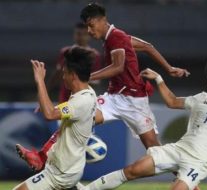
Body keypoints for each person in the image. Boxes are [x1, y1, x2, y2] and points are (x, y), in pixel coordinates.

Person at [16, 2, 189, 172]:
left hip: (135, 102)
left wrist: (86, 77)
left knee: (154, 149)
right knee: (76, 119)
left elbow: (118, 66)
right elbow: (147, 46)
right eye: (87, 27)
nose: (89, 32)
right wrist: (169, 68)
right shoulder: (115, 38)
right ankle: (41, 157)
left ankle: (183, 175)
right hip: (114, 98)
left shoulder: (116, 37)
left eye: (91, 26)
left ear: (102, 20)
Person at [80, 58, 207, 190]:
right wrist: (159, 78)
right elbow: (172, 101)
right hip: (177, 150)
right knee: (132, 170)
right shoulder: (201, 98)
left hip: (198, 161)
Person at [13, 47, 97, 190]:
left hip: (61, 173)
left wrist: (40, 80)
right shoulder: (87, 92)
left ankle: (40, 159)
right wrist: (50, 105)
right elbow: (64, 111)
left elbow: (49, 114)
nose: (63, 77)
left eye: (65, 73)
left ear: (73, 75)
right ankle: (40, 158)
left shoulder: (81, 101)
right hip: (69, 168)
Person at [48, 22, 101, 103]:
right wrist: (46, 90)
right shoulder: (65, 52)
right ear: (74, 35)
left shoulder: (94, 55)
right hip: (65, 96)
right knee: (64, 115)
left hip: (84, 98)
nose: (81, 37)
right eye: (78, 34)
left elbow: (97, 80)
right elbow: (58, 73)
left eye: (84, 34)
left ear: (89, 36)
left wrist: (77, 81)